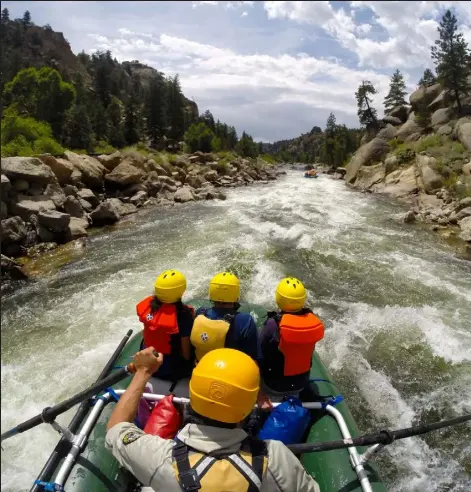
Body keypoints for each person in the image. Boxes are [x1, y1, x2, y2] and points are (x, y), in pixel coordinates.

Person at [106, 347, 321, 492]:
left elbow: (116, 429)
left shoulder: (158, 458)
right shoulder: (276, 458)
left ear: (192, 396)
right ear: (249, 407)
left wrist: (143, 372)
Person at [259, 277, 325, 400]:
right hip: (300, 384)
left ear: (279, 299)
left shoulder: (273, 324)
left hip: (273, 386)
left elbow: (259, 352)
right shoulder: (312, 322)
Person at [136, 269, 194, 382]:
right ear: (181, 291)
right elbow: (186, 353)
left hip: (148, 361)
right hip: (167, 370)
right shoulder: (183, 315)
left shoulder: (149, 305)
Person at [190, 272, 259, 363]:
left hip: (201, 368)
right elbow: (253, 357)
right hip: (229, 373)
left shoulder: (201, 313)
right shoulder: (245, 320)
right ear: (236, 294)